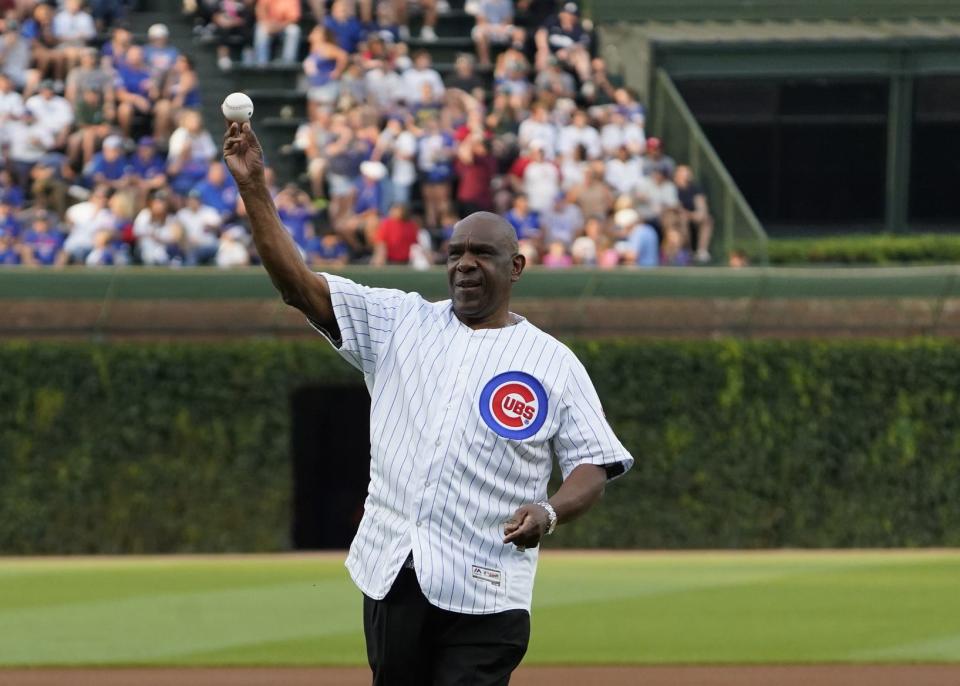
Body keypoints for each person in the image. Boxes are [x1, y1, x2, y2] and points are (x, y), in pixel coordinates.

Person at [223, 120, 634, 685]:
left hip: (488, 591)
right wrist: (254, 190)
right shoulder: (399, 321)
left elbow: (593, 462)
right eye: (456, 253)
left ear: (515, 268)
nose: (464, 264)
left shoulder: (552, 361)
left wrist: (551, 511)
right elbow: (299, 285)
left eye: (482, 254)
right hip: (394, 574)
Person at [674, 165, 714, 264]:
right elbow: (676, 207)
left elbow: (702, 207)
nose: (686, 175)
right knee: (683, 219)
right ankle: (687, 251)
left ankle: (702, 251)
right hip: (678, 216)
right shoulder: (672, 188)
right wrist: (688, 214)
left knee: (707, 219)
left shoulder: (695, 188)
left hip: (692, 216)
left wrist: (698, 215)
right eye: (683, 173)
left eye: (687, 172)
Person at [254, 0, 302, 65]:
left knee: (294, 31)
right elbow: (260, 9)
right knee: (260, 29)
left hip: (284, 25)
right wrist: (267, 24)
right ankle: (262, 64)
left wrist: (278, 27)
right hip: (268, 24)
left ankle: (288, 63)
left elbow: (293, 18)